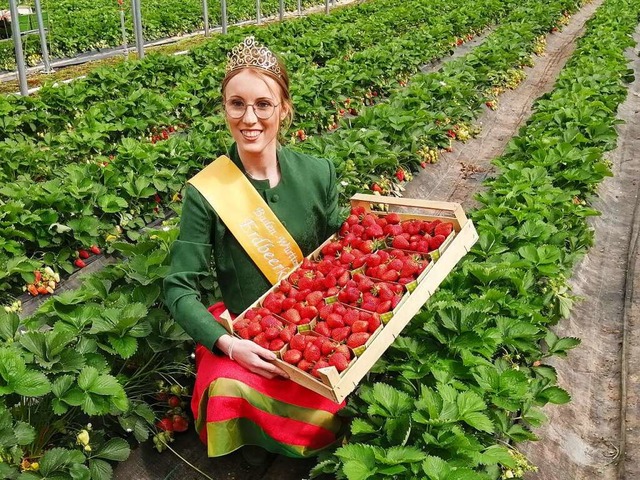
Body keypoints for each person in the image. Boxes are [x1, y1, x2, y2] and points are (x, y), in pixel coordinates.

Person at [163, 36, 346, 461]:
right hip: (251, 341)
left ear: (284, 108)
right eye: (236, 104)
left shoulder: (319, 173)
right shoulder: (208, 191)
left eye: (263, 104)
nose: (250, 118)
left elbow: (343, 252)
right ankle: (268, 433)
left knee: (338, 393)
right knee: (227, 390)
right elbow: (178, 289)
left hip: (319, 333)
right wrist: (228, 344)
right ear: (224, 109)